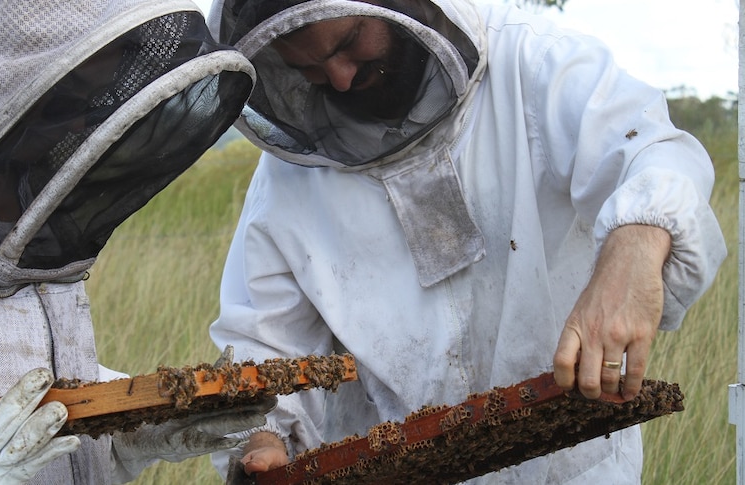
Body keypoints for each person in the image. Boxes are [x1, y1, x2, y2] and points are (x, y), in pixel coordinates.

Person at [205, 0, 728, 483]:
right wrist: (264, 436)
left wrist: (633, 249)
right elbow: (267, 341)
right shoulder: (288, 178)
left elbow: (654, 151)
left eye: (348, 43)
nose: (339, 80)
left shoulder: (533, 62)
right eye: (310, 70)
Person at [0, 0, 278, 483]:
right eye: (65, 102)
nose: (76, 127)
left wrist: (131, 428)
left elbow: (39, 419)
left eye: (91, 104)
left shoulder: (30, 212)